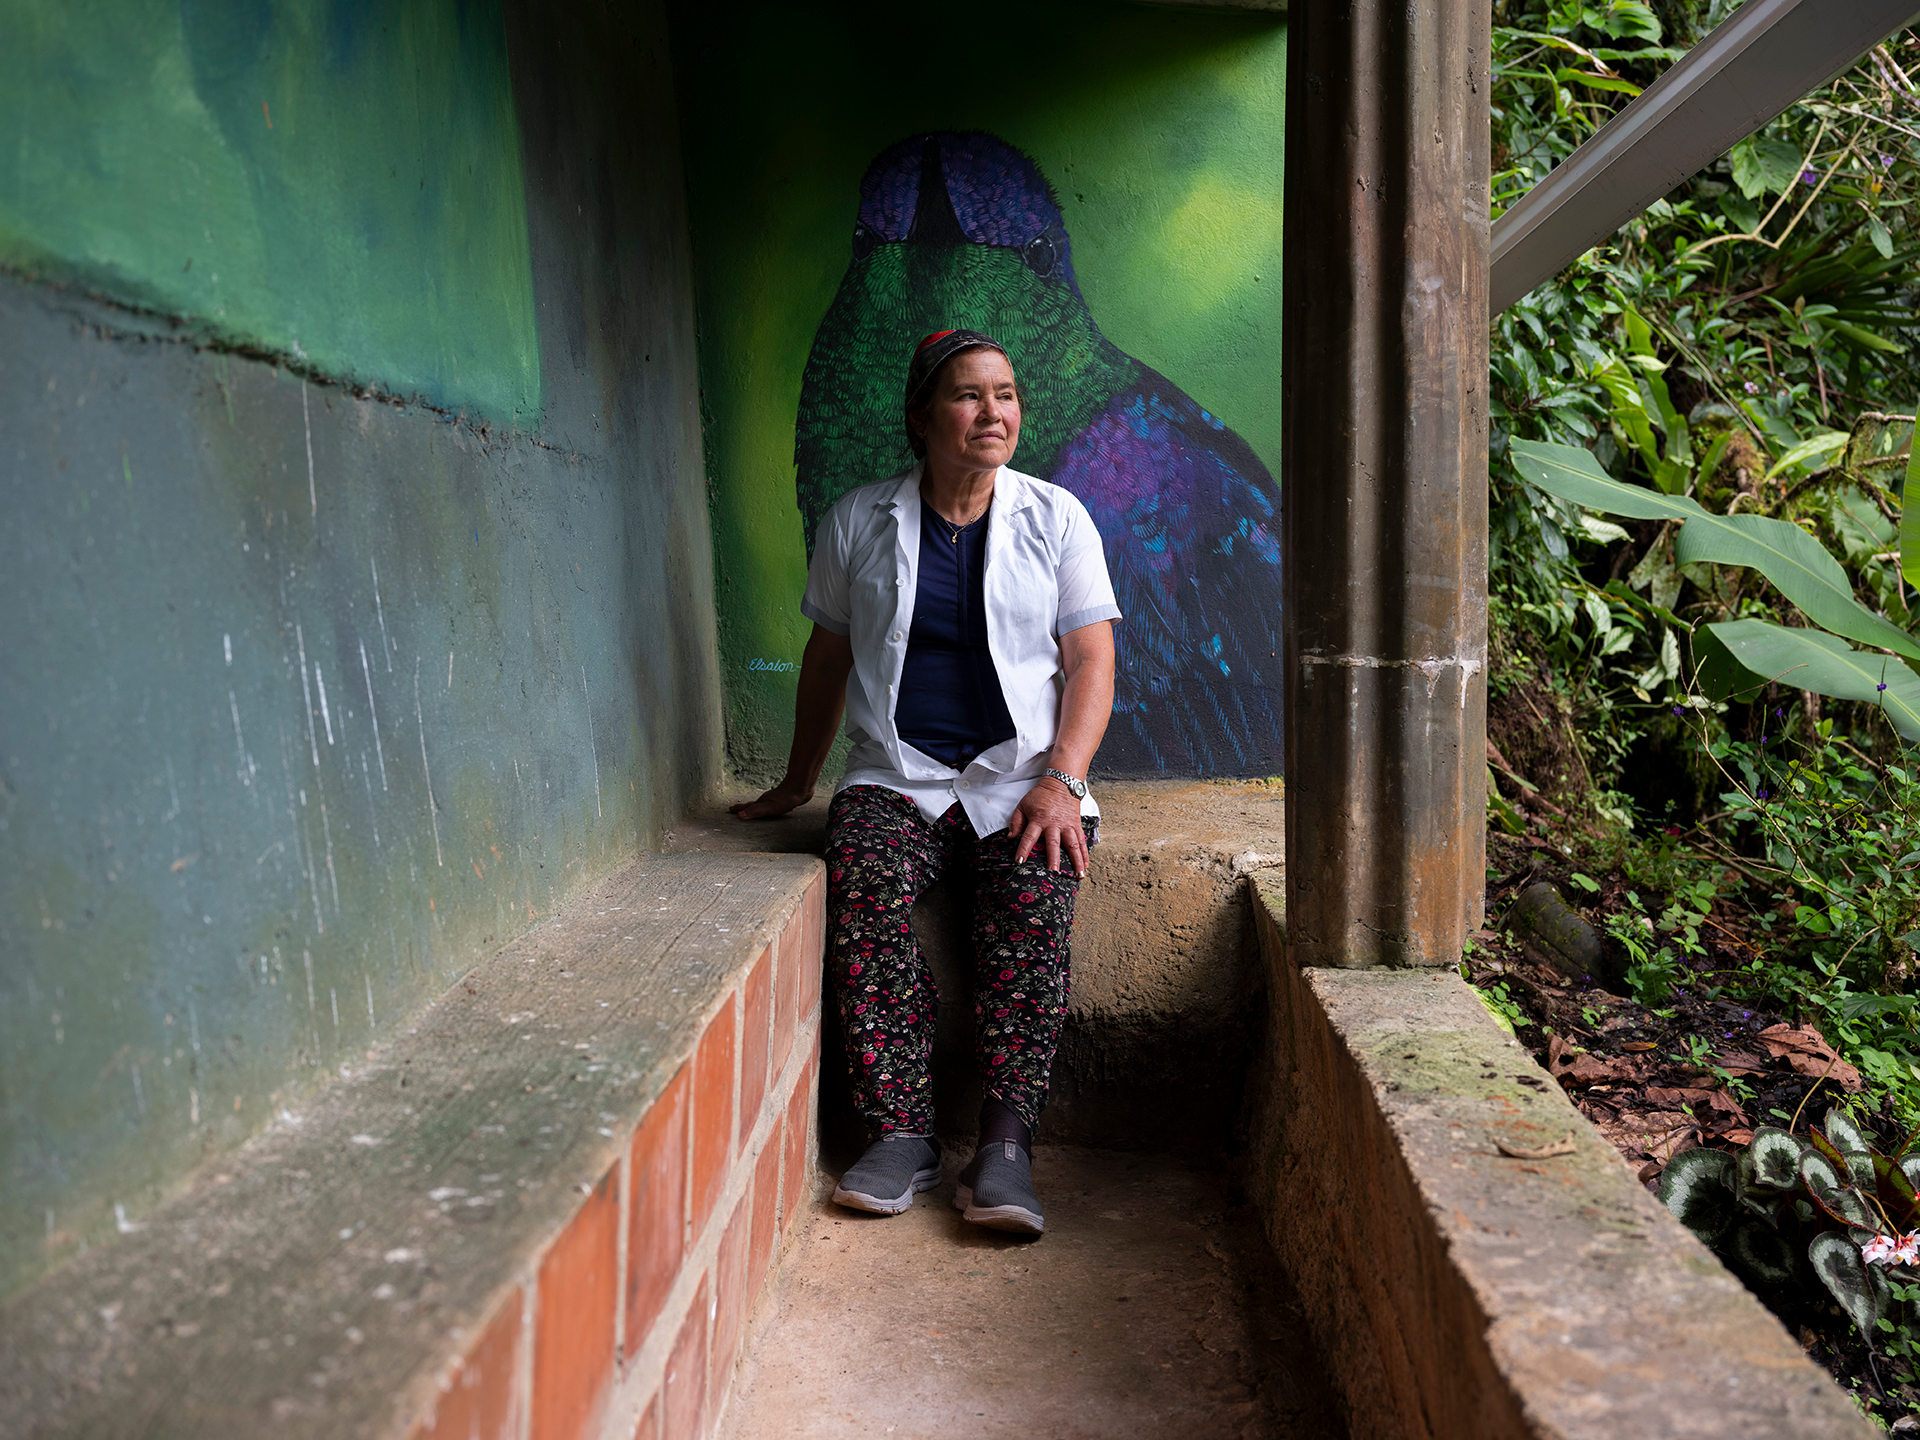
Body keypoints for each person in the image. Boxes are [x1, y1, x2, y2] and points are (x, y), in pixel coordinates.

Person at [733, 329, 1118, 1236]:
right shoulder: (857, 521)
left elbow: (1092, 660)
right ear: (921, 416)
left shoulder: (1056, 517)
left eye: (1007, 394)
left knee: (1034, 889)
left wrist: (1063, 779)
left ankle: (1005, 1147)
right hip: (898, 778)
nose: (995, 413)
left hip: (1025, 775)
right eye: (970, 395)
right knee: (861, 877)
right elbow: (827, 662)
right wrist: (797, 782)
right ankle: (900, 1131)